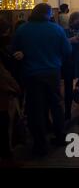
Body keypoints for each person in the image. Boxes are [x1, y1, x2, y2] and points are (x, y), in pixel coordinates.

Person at [12, 3, 71, 156]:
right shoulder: (56, 29)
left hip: (31, 74)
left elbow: (15, 50)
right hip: (52, 72)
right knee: (56, 104)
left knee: (35, 109)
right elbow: (67, 50)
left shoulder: (22, 29)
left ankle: (39, 143)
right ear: (48, 14)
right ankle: (59, 136)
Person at [0, 19, 21, 166]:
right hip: (3, 95)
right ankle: (6, 158)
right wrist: (14, 87)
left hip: (5, 93)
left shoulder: (5, 48)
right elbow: (3, 75)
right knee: (3, 125)